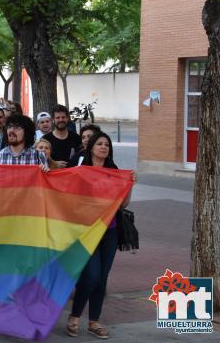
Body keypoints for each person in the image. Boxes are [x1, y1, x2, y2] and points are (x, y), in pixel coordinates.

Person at [66, 132, 137, 339]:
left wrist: (130, 184)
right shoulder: (82, 171)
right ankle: (75, 315)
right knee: (92, 276)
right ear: (91, 148)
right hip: (87, 231)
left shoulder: (114, 172)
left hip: (110, 231)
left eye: (107, 144)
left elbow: (123, 204)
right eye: (99, 144)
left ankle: (94, 321)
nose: (104, 147)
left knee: (102, 278)